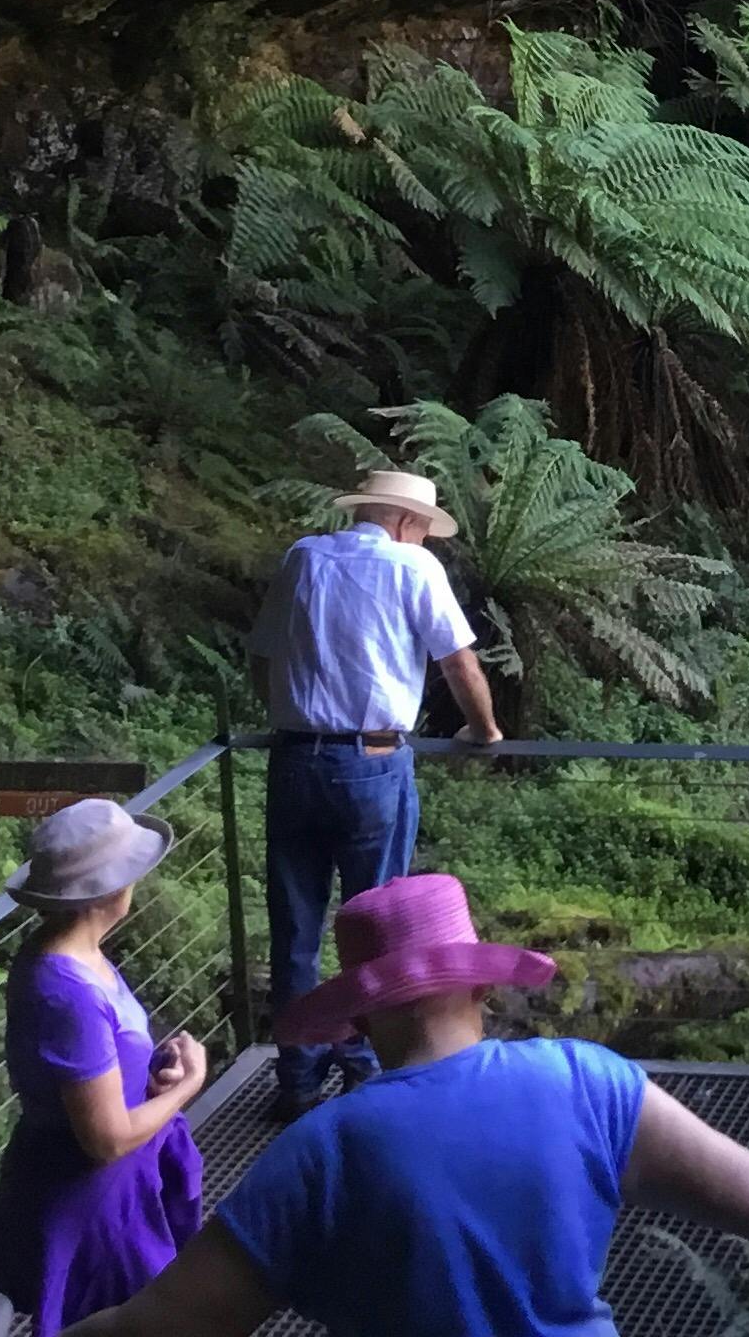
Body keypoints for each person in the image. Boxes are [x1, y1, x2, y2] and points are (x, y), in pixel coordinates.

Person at [60, 873, 749, 1336]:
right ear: (481, 983)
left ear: (359, 1021)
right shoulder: (586, 1079)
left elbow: (166, 1325)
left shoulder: (321, 1152)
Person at [250, 465, 504, 1113]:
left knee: (295, 930)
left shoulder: (304, 558)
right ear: (406, 522)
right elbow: (458, 661)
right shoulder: (412, 568)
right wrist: (487, 731)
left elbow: (263, 657)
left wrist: (290, 720)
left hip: (293, 760)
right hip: (372, 762)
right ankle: (366, 1072)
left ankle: (298, 1081)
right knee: (379, 927)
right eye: (425, 531)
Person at [0, 799, 209, 1332]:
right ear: (110, 891)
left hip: (112, 1189)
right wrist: (188, 1086)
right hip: (93, 1208)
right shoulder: (66, 992)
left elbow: (88, 1080)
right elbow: (105, 1140)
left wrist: (151, 1079)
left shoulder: (78, 955)